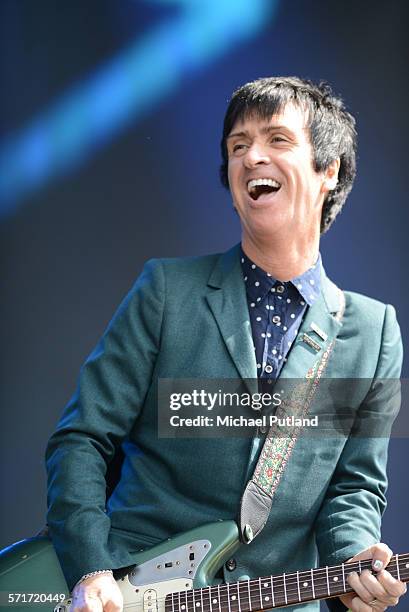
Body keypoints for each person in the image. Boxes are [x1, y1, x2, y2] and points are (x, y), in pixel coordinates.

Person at [46, 77, 407, 612]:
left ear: (328, 171)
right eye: (237, 146)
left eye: (276, 140)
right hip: (132, 596)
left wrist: (357, 565)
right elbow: (82, 438)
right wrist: (91, 570)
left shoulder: (374, 332)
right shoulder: (167, 292)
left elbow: (353, 490)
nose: (251, 156)